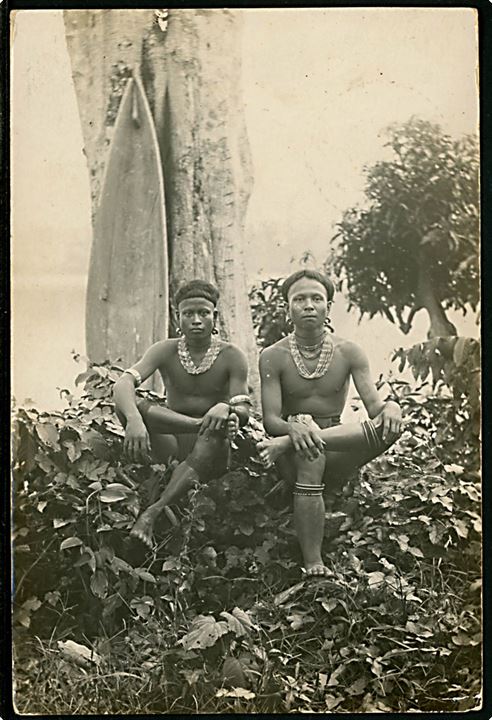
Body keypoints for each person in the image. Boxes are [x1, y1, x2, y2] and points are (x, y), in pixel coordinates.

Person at [257, 269, 403, 578]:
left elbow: (376, 408)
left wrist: (392, 407)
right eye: (299, 299)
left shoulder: (349, 352)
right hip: (294, 449)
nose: (308, 305)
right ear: (287, 309)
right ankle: (313, 562)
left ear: (328, 306)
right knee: (311, 451)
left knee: (389, 425)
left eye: (316, 298)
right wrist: (291, 431)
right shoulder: (273, 355)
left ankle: (313, 443)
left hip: (338, 446)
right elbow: (271, 419)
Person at [113, 279, 251, 549]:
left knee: (215, 428)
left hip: (214, 450)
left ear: (215, 317)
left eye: (203, 313)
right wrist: (134, 420)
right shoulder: (165, 350)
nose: (196, 320)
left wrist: (229, 409)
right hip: (173, 442)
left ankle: (152, 511)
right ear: (178, 317)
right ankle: (196, 426)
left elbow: (243, 409)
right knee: (129, 403)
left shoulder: (232, 356)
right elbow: (123, 383)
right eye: (188, 314)